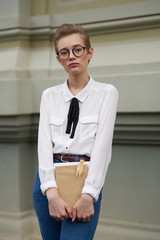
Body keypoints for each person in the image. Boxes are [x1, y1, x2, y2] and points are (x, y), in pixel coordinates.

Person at [33, 23, 118, 240]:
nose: (72, 56)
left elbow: (102, 149)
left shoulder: (106, 94)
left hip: (84, 183)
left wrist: (89, 194)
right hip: (48, 183)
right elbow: (43, 145)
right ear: (59, 59)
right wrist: (50, 192)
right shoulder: (49, 96)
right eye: (64, 52)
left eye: (77, 49)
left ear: (89, 52)